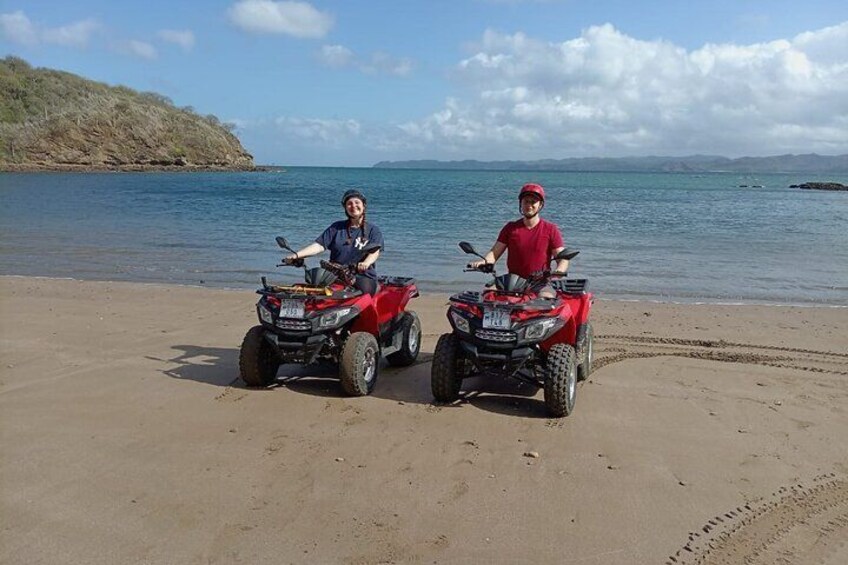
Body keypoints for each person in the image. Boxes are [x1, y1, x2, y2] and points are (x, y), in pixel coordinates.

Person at [467, 183, 568, 298]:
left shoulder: (550, 229)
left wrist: (558, 272)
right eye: (526, 201)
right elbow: (494, 254)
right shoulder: (510, 228)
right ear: (521, 203)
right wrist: (483, 262)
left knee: (546, 299)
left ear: (540, 205)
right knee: (487, 296)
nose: (529, 205)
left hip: (540, 283)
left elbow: (562, 258)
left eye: (533, 202)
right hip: (512, 281)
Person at [284, 189, 384, 296]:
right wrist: (296, 255)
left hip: (363, 275)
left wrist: (366, 263)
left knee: (365, 293)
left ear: (363, 206)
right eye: (349, 204)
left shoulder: (373, 230)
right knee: (314, 291)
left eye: (357, 203)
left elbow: (375, 251)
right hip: (335, 274)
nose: (353, 206)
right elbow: (319, 245)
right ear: (345, 208)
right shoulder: (336, 227)